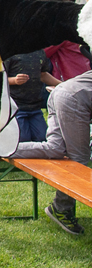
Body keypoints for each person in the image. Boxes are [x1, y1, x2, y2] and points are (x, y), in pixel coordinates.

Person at [12, 70, 92, 235]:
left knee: (54, 148)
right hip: (73, 100)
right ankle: (61, 208)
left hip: (59, 92)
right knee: (79, 160)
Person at [4, 49, 61, 142]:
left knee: (43, 138)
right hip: (16, 107)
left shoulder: (40, 52)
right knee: (22, 139)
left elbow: (43, 75)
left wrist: (63, 84)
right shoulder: (9, 53)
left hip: (35, 107)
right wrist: (14, 80)